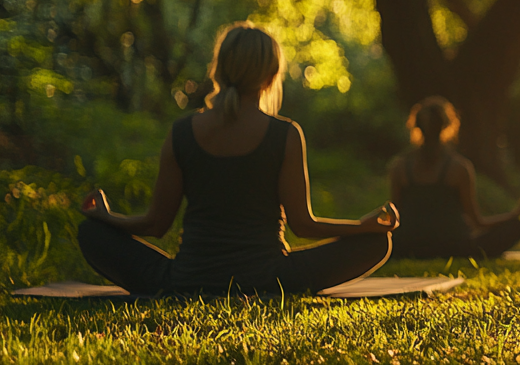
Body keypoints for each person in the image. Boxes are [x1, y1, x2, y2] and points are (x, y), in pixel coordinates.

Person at [77, 22, 397, 295]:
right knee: (377, 243)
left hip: (187, 281)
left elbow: (155, 224)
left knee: (91, 233)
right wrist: (362, 227)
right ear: (270, 75)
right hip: (271, 281)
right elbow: (304, 225)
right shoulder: (285, 134)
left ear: (220, 69)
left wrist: (106, 218)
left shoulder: (182, 132)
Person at [388, 97, 520, 259]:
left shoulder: (399, 167)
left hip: (408, 246)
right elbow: (477, 222)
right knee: (517, 227)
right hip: (454, 247)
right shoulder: (459, 167)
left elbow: (394, 219)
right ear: (447, 125)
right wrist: (513, 215)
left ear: (416, 125)